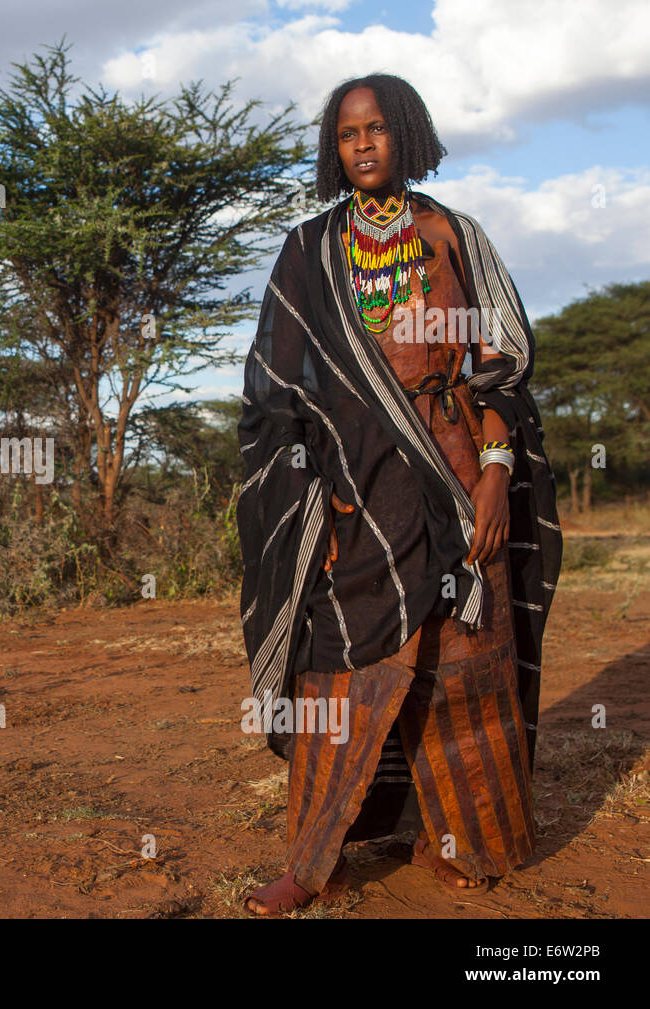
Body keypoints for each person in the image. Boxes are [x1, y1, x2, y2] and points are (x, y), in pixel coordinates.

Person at [235, 73, 563, 916]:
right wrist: (315, 502)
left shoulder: (452, 234)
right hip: (355, 485)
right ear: (332, 150)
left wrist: (496, 472)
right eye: (348, 134)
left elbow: (501, 361)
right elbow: (279, 396)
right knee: (337, 665)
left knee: (464, 658)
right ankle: (315, 861)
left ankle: (461, 837)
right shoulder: (309, 252)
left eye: (378, 128)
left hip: (457, 472)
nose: (364, 145)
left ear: (407, 134)